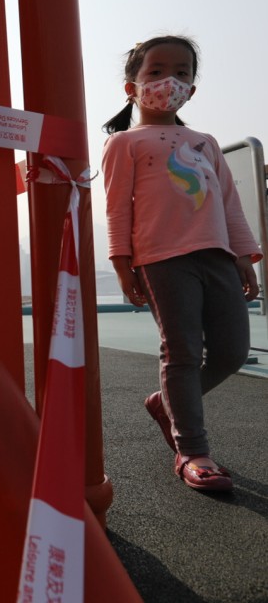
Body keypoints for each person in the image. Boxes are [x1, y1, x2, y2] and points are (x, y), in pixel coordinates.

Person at [101, 35, 261, 492]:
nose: (169, 80)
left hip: (218, 256)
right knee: (183, 351)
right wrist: (121, 263)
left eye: (182, 72)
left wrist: (244, 257)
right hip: (161, 259)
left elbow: (229, 204)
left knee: (231, 352)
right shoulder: (124, 143)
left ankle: (165, 403)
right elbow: (117, 209)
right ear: (132, 86)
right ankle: (192, 449)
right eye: (156, 71)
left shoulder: (205, 142)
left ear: (192, 88)